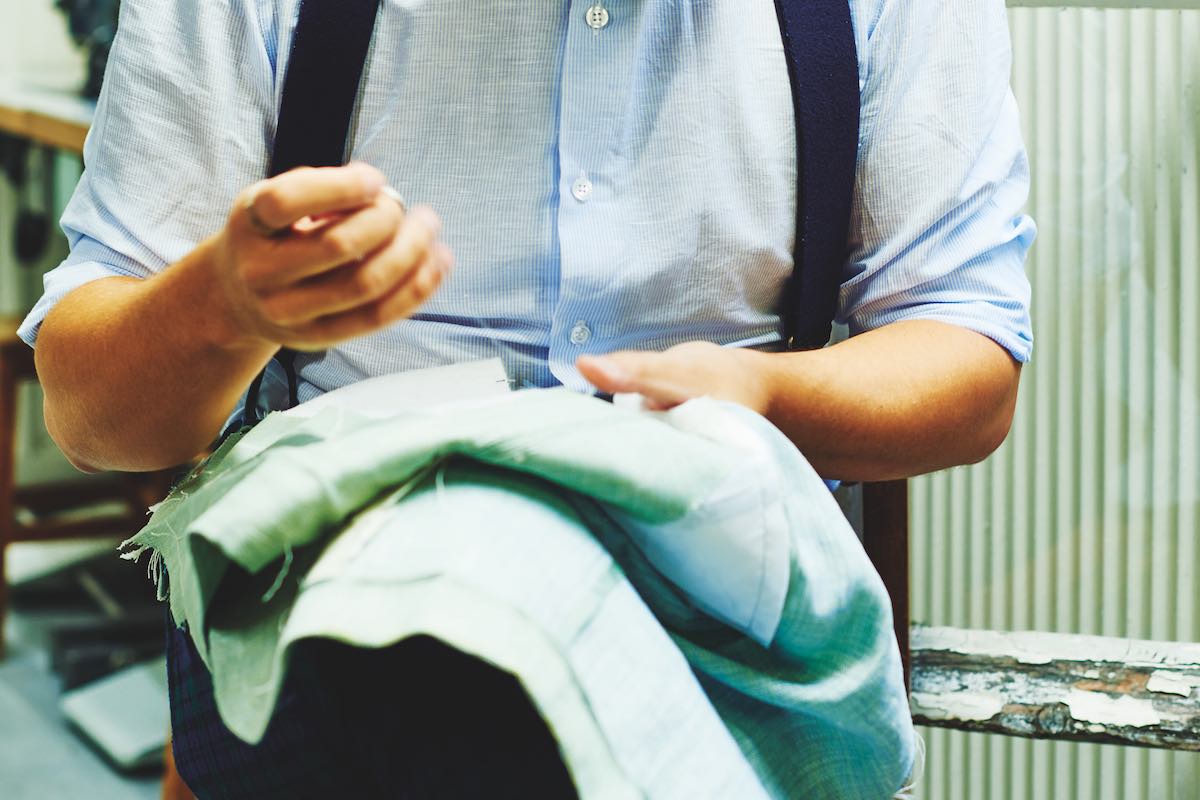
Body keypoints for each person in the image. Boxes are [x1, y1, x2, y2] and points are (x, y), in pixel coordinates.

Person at [20, 0, 1033, 796]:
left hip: (728, 627)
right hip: (339, 649)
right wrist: (224, 304)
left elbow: (968, 359)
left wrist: (762, 390)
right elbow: (92, 416)